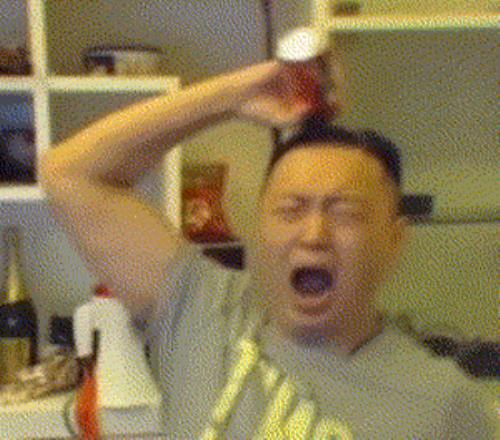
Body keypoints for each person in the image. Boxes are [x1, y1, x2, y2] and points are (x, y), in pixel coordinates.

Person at [40, 60, 497, 439]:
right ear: (258, 228)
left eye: (344, 212)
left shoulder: (446, 406)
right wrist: (235, 96)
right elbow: (69, 174)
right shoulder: (203, 307)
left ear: (394, 241)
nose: (313, 234)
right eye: (291, 209)